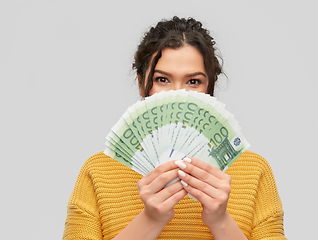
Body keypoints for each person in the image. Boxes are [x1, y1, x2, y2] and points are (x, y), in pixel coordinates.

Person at [63, 16, 287, 240]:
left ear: (210, 86)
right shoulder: (99, 172)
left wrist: (220, 221)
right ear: (141, 83)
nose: (178, 95)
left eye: (193, 82)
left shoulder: (253, 171)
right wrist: (150, 220)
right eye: (162, 79)